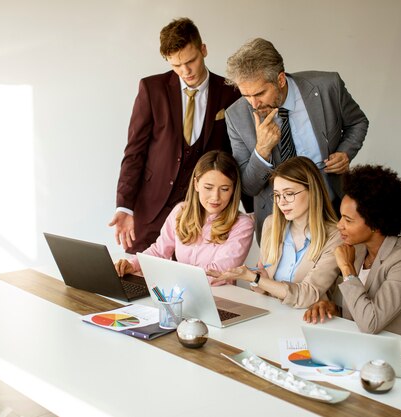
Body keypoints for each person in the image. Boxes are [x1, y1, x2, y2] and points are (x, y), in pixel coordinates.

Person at [109, 18, 242, 254]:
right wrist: (125, 207)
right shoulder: (152, 89)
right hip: (152, 209)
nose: (185, 71)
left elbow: (238, 155)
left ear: (204, 49)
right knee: (141, 281)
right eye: (176, 65)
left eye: (191, 61)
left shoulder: (231, 92)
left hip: (202, 213)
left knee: (191, 286)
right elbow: (134, 152)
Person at [224, 38, 369, 241]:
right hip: (278, 222)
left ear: (280, 79)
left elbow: (358, 122)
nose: (253, 104)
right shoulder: (236, 115)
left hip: (332, 206)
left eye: (260, 93)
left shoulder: (328, 87)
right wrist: (262, 150)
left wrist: (345, 152)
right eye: (246, 95)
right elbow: (248, 187)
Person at [304, 165, 401, 348]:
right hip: (375, 350)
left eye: (348, 220)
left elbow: (370, 323)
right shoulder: (359, 251)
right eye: (341, 217)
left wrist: (347, 270)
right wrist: (335, 309)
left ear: (375, 223)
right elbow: (363, 306)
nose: (339, 225)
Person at [209, 157, 341, 307]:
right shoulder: (271, 225)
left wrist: (255, 279)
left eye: (289, 193)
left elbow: (308, 294)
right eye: (277, 195)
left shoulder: (335, 236)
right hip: (272, 317)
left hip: (310, 321)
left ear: (312, 191)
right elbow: (263, 292)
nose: (281, 202)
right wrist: (258, 280)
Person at [114, 151, 254, 285]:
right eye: (208, 187)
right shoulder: (181, 211)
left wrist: (170, 274)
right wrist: (133, 265)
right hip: (179, 291)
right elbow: (159, 251)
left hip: (220, 297)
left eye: (224, 189)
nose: (215, 197)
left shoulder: (243, 225)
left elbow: (219, 272)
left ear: (233, 189)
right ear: (196, 184)